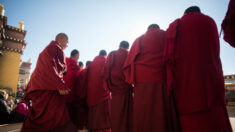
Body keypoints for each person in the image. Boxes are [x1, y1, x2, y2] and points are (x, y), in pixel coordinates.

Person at [164, 6, 233, 132]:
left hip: (187, 89)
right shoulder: (210, 22)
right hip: (213, 85)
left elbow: (169, 60)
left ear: (185, 13)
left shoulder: (176, 25)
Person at [123, 24, 174, 132]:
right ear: (158, 28)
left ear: (148, 29)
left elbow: (128, 63)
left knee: (143, 114)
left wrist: (132, 79)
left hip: (142, 81)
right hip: (162, 77)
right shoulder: (165, 35)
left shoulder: (139, 39)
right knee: (162, 112)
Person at [21, 33, 77, 132]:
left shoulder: (51, 49)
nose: (68, 44)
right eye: (67, 41)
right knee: (56, 115)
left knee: (43, 115)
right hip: (47, 87)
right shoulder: (54, 48)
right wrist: (59, 85)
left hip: (44, 86)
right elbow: (49, 67)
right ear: (61, 39)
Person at [104, 41, 133, 132]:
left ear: (119, 46)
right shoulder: (130, 55)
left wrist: (109, 86)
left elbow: (106, 71)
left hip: (115, 89)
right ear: (127, 47)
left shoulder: (113, 54)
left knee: (117, 114)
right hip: (127, 88)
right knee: (128, 114)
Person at [87, 50, 111, 132]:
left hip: (91, 91)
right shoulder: (105, 61)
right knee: (103, 113)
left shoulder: (91, 64)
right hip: (102, 91)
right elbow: (107, 74)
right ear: (105, 55)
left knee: (94, 113)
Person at [63, 49, 81, 130]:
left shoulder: (64, 60)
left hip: (63, 88)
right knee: (68, 109)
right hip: (71, 88)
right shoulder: (74, 64)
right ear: (76, 55)